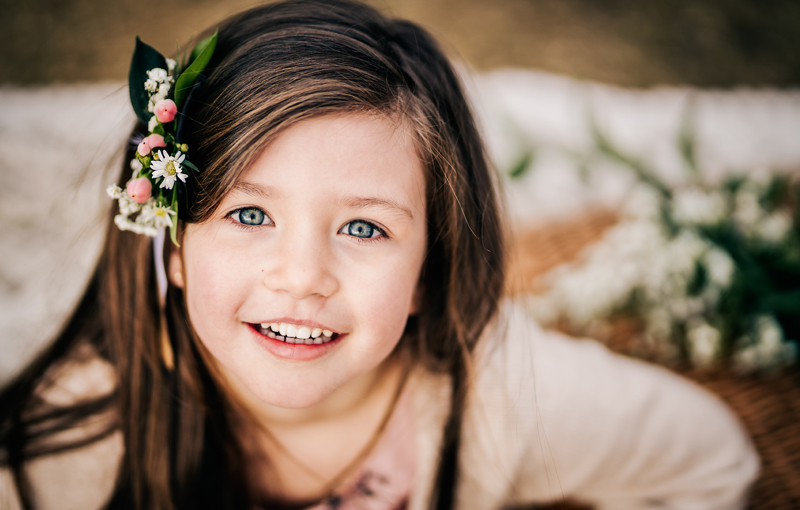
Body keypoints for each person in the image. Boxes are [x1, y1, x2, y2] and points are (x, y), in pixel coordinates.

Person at [0, 1, 759, 509]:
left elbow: (712, 458)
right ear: (174, 251)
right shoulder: (81, 438)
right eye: (250, 212)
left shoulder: (497, 399)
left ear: (429, 270)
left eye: (364, 228)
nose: (301, 276)